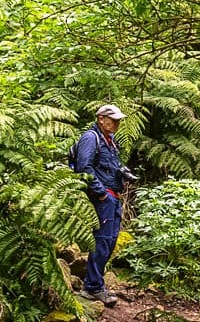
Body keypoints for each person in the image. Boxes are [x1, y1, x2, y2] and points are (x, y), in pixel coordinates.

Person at [73, 104, 131, 306]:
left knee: (111, 241)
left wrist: (123, 173)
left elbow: (108, 166)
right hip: (104, 197)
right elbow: (84, 168)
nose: (117, 123)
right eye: (113, 119)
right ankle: (93, 288)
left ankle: (95, 284)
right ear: (101, 119)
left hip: (113, 196)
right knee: (103, 241)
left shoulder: (110, 141)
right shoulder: (91, 138)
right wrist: (101, 194)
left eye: (118, 120)